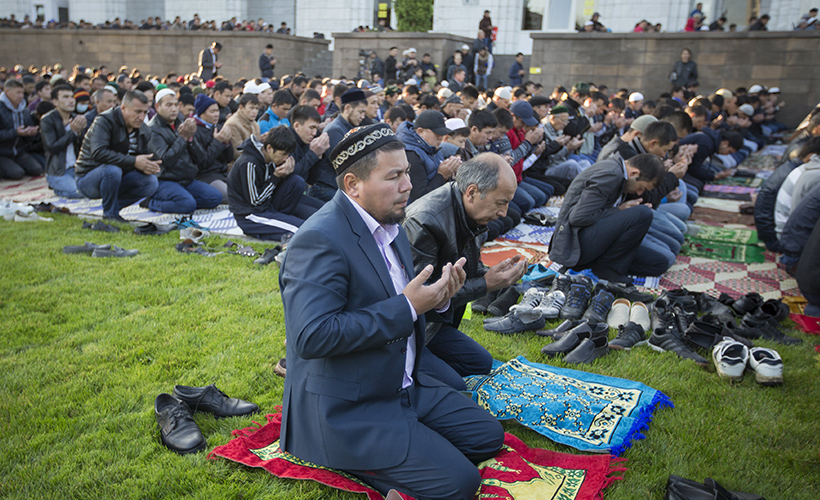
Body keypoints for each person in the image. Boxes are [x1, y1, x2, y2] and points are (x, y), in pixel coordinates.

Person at [279, 123, 504, 499]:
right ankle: (351, 456)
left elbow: (403, 299)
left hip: (399, 383)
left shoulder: (389, 222)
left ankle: (409, 440)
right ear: (353, 184)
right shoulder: (319, 240)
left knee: (488, 438)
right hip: (350, 404)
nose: (408, 185)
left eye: (408, 173)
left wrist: (439, 296)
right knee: (461, 484)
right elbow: (311, 336)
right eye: (395, 176)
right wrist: (407, 306)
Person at [403, 153, 525, 389]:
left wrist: (491, 273)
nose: (504, 212)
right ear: (471, 192)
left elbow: (466, 268)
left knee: (480, 363)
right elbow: (420, 297)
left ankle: (429, 365)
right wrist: (486, 284)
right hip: (409, 331)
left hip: (437, 323)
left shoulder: (470, 213)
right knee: (455, 386)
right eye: (501, 202)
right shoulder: (425, 222)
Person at [549, 153, 665, 284]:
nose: (639, 193)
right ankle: (608, 271)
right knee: (643, 214)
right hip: (573, 242)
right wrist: (619, 210)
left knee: (659, 263)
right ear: (634, 173)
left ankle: (597, 266)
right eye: (641, 188)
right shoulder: (611, 174)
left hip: (591, 237)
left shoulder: (619, 173)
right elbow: (578, 217)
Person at [75, 90, 159, 221]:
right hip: (89, 177)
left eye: (145, 112)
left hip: (119, 176)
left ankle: (112, 208)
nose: (142, 117)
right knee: (112, 170)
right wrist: (134, 161)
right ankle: (110, 215)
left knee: (151, 182)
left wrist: (148, 165)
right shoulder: (104, 121)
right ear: (123, 108)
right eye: (137, 111)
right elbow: (98, 152)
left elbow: (142, 157)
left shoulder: (143, 130)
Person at [227, 125, 321, 240]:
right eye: (283, 154)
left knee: (296, 181)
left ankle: (281, 220)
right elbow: (255, 201)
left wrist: (287, 173)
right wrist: (276, 176)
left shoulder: (271, 159)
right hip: (251, 215)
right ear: (269, 148)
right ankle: (267, 230)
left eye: (288, 155)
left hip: (268, 206)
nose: (285, 158)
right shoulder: (248, 163)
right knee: (301, 231)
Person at [146, 88, 222, 214]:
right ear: (157, 106)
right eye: (169, 105)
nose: (174, 109)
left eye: (176, 105)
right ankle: (150, 202)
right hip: (164, 180)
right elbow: (166, 160)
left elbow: (200, 158)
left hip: (186, 179)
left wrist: (191, 139)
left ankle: (182, 200)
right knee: (187, 204)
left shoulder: (181, 123)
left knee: (215, 197)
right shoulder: (153, 129)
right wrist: (183, 138)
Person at [396, 110, 463, 203]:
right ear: (420, 131)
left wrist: (452, 171)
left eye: (442, 133)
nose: (441, 137)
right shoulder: (411, 154)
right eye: (437, 133)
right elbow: (420, 197)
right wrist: (442, 175)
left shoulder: (433, 148)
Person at [40, 83, 86, 198]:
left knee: (94, 191)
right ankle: (57, 187)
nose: (71, 101)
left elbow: (85, 147)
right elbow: (52, 147)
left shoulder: (77, 118)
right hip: (59, 170)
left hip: (77, 168)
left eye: (71, 97)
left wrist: (80, 133)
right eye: (65, 97)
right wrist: (73, 132)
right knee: (77, 193)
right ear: (55, 101)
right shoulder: (47, 120)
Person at [0, 79, 43, 179]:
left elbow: (27, 130)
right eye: (18, 92)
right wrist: (15, 132)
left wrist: (31, 132)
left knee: (37, 169)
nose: (21, 96)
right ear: (7, 92)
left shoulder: (24, 109)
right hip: (3, 152)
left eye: (22, 93)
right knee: (17, 174)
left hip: (19, 151)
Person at [223, 93, 261, 162]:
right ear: (241, 107)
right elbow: (237, 152)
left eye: (256, 108)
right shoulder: (232, 124)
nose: (254, 112)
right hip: (238, 165)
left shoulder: (255, 124)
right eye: (251, 108)